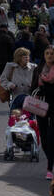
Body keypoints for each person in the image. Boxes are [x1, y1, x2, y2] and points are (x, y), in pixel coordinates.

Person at [29, 46, 54, 181]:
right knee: (44, 137)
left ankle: (50, 168)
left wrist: (46, 88)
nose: (49, 56)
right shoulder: (38, 69)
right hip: (41, 105)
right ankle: (50, 159)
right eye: (47, 53)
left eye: (52, 54)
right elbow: (33, 86)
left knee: (51, 136)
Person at [0, 47, 36, 112]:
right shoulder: (10, 66)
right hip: (15, 98)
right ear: (18, 57)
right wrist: (9, 84)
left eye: (28, 56)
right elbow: (2, 80)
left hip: (30, 99)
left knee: (29, 119)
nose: (27, 58)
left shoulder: (34, 67)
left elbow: (39, 80)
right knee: (16, 119)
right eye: (24, 56)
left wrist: (33, 85)